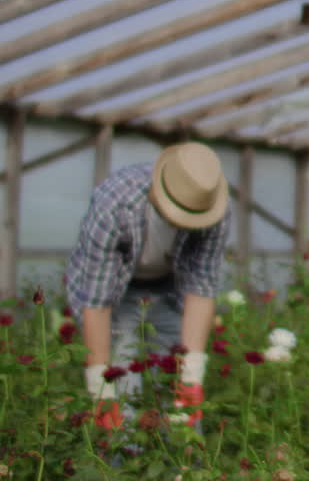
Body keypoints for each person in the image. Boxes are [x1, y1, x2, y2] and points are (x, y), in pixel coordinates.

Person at [65, 141, 231, 431]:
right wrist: (101, 389)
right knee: (123, 393)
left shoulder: (213, 209)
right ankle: (121, 464)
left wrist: (191, 378)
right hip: (116, 290)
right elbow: (96, 301)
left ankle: (182, 468)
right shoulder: (115, 204)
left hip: (169, 286)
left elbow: (201, 288)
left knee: (180, 402)